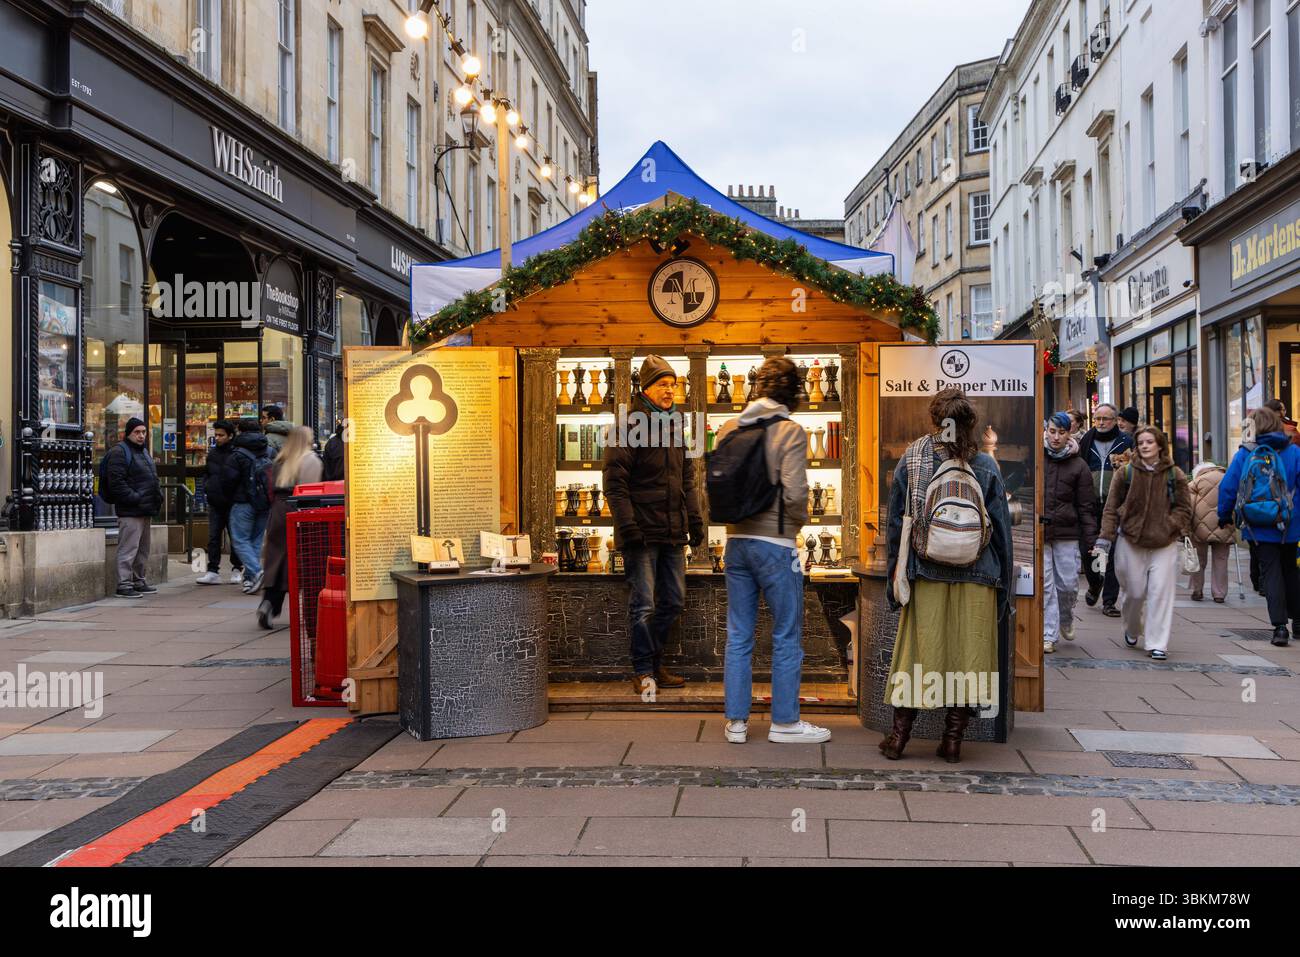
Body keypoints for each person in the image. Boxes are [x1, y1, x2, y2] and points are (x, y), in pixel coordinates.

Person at [881, 388, 1014, 763]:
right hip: (979, 576)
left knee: (917, 657)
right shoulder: (985, 465)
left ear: (934, 421)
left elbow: (896, 524)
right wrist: (1003, 587)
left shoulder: (914, 458)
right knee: (968, 660)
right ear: (970, 423)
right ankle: (952, 741)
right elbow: (1001, 529)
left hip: (926, 574)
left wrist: (897, 575)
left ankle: (898, 739)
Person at [714, 357, 830, 745]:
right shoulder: (790, 431)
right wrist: (795, 525)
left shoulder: (729, 428)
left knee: (739, 634)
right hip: (777, 546)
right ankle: (784, 722)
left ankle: (736, 723)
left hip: (735, 544)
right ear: (792, 392)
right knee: (786, 632)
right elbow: (795, 493)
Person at [603, 355, 704, 697]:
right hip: (642, 533)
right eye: (663, 384)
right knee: (644, 604)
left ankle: (655, 660)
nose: (669, 391)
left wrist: (695, 517)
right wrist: (627, 526)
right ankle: (644, 670)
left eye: (673, 385)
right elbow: (615, 483)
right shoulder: (627, 425)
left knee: (673, 601)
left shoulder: (675, 424)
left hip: (673, 532)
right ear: (645, 388)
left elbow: (687, 478)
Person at [1093, 427, 1192, 662]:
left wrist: (1171, 525)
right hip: (1130, 540)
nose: (1145, 446)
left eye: (1150, 442)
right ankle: (1132, 627)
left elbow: (1185, 508)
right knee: (1134, 592)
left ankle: (1157, 643)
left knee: (1160, 592)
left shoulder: (1174, 474)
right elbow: (1110, 508)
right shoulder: (1125, 473)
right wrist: (1105, 538)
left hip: (1163, 542)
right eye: (1141, 442)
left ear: (1160, 445)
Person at [1218, 405, 1300, 646]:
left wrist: (1224, 515)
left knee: (1271, 572)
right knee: (1292, 571)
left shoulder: (1246, 453)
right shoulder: (1294, 451)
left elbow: (1228, 487)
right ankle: (1299, 622)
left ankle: (1279, 628)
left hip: (1259, 525)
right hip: (1290, 522)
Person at [1042, 412, 1098, 654]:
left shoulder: (1079, 465)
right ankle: (1048, 634)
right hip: (1041, 532)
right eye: (1052, 431)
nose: (1056, 437)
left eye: (1061, 432)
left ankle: (1066, 617)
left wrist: (1091, 539)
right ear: (1046, 431)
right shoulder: (1036, 458)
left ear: (1069, 434)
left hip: (1067, 533)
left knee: (1068, 584)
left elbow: (1086, 505)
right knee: (1045, 585)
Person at [256, 426, 323, 629]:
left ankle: (269, 601)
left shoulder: (280, 459)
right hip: (299, 509)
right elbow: (312, 492)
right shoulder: (310, 460)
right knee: (296, 560)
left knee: (275, 557)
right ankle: (275, 605)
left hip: (278, 511)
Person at [1076, 403, 1134, 616]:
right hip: (1090, 506)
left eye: (1105, 419)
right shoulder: (1087, 440)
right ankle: (1094, 583)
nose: (1100, 423)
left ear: (1115, 420)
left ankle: (1109, 601)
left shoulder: (1126, 442)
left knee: (1114, 554)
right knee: (1088, 550)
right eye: (1098, 418)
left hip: (1116, 506)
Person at [101, 417, 162, 599]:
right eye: (137, 432)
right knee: (128, 549)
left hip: (145, 508)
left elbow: (151, 477)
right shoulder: (120, 452)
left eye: (143, 432)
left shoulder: (143, 452)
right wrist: (134, 498)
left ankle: (138, 580)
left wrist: (157, 495)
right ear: (128, 433)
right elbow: (116, 483)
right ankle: (124, 584)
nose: (141, 435)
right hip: (130, 510)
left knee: (142, 550)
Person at [223, 418, 272, 594]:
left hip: (242, 503)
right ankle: (251, 579)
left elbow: (228, 480)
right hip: (265, 502)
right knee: (256, 541)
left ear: (240, 431)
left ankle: (257, 572)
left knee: (240, 540)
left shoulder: (237, 454)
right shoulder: (268, 450)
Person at [196, 420, 243, 585]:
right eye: (216, 435)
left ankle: (237, 568)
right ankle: (212, 570)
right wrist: (208, 488)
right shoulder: (213, 454)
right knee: (213, 537)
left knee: (235, 537)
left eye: (221, 435)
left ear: (230, 436)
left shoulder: (237, 454)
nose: (217, 438)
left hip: (232, 502)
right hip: (216, 502)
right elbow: (207, 474)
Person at [1187, 459, 1233, 603]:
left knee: (1198, 559)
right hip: (1224, 524)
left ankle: (1197, 590)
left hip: (1199, 526)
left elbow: (1189, 506)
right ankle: (1219, 593)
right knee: (1221, 559)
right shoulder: (1228, 478)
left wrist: (1185, 528)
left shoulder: (1197, 482)